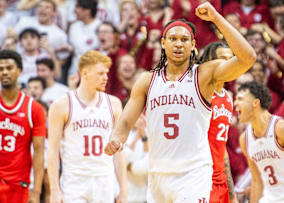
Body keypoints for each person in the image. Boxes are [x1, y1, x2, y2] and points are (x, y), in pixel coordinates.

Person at [105, 2, 257, 202]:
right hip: (158, 174)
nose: (178, 44)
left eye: (184, 39)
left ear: (193, 45)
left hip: (193, 174)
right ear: (163, 43)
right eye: (173, 39)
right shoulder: (146, 80)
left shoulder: (204, 75)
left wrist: (217, 18)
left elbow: (248, 58)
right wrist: (117, 137)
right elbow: (125, 122)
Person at [47, 51, 128, 203]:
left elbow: (119, 152)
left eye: (106, 73)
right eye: (100, 73)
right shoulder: (61, 105)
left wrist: (123, 189)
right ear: (84, 73)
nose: (106, 78)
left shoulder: (114, 104)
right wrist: (54, 190)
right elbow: (52, 150)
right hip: (74, 180)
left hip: (104, 178)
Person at [0, 50, 46, 203]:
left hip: (18, 185)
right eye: (1, 69)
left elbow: (39, 152)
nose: (4, 72)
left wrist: (37, 191)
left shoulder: (34, 108)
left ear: (19, 71)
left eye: (9, 68)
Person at [199, 41, 238, 203]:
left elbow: (222, 148)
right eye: (223, 59)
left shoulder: (227, 96)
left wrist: (232, 192)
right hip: (200, 173)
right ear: (210, 61)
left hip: (219, 174)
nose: (229, 64)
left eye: (231, 59)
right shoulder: (199, 91)